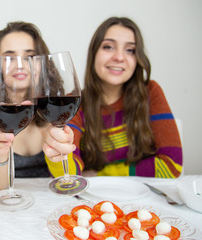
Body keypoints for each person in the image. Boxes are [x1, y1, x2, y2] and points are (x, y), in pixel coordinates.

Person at [43, 17, 183, 178]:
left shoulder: (151, 93)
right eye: (108, 47)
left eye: (130, 50)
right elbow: (69, 175)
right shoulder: (75, 103)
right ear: (94, 53)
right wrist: (56, 154)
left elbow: (172, 165)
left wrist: (102, 174)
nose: (119, 57)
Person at [0, 21, 53, 192]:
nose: (19, 65)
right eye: (9, 57)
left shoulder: (59, 108)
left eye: (29, 57)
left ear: (42, 63)